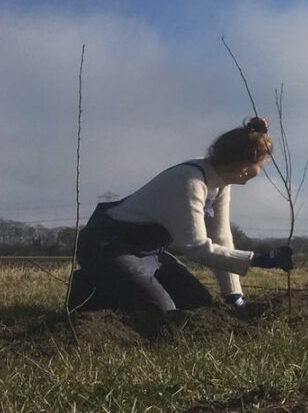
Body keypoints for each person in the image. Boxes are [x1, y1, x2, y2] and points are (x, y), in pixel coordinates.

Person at [67, 117, 293, 315]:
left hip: (150, 253)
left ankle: (121, 283)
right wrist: (259, 260)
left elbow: (220, 238)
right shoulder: (191, 182)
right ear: (244, 165)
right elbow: (196, 247)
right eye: (261, 165)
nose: (261, 171)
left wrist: (233, 295)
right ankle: (89, 287)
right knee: (162, 312)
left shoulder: (221, 181)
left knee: (199, 304)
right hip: (108, 248)